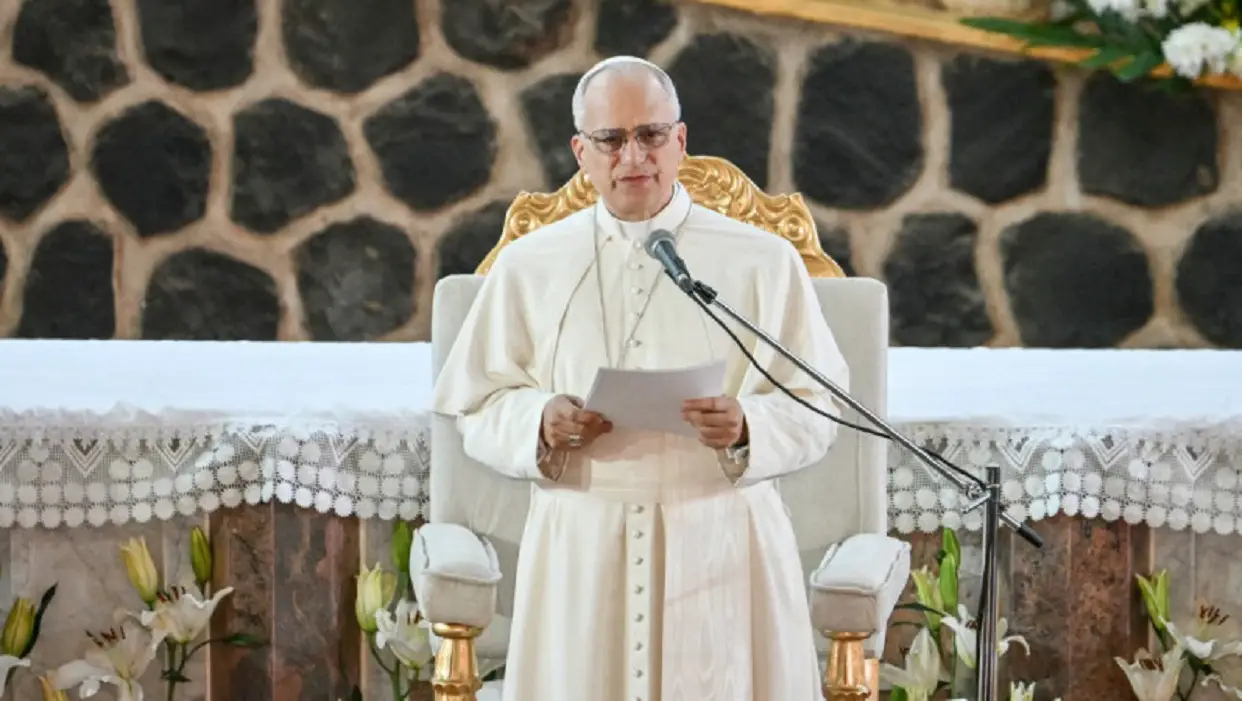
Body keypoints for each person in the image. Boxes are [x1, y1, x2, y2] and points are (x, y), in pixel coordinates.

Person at [431, 55, 850, 701]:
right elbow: (477, 406)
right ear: (581, 152)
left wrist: (749, 426)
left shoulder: (764, 261)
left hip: (722, 538)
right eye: (611, 139)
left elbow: (818, 402)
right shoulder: (528, 265)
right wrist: (539, 419)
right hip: (581, 544)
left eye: (651, 135)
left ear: (680, 141)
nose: (634, 156)